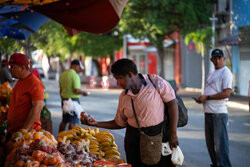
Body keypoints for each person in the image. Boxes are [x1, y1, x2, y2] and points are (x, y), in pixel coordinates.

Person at [81, 58, 179, 167]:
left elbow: (172, 104)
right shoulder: (124, 97)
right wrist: (96, 124)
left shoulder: (156, 82)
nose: (118, 83)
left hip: (158, 137)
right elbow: (119, 123)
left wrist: (173, 134)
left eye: (120, 78)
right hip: (133, 141)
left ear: (130, 74)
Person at [194, 49, 232, 167]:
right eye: (214, 58)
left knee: (221, 147)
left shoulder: (226, 72)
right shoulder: (211, 73)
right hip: (208, 113)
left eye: (219, 58)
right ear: (211, 60)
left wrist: (208, 97)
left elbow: (227, 93)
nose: (217, 60)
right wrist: (202, 98)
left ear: (223, 59)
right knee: (211, 146)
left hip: (218, 114)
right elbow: (211, 91)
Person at [4, 53, 44, 135]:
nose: (9, 69)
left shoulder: (34, 83)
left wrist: (24, 130)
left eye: (12, 67)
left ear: (22, 68)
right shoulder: (19, 82)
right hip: (15, 132)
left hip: (28, 134)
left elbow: (38, 106)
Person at [59, 59, 88, 132]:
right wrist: (83, 92)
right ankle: (70, 140)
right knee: (72, 122)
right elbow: (76, 90)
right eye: (79, 67)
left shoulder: (63, 74)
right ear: (75, 66)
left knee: (64, 120)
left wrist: (63, 99)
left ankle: (60, 137)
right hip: (73, 101)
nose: (79, 70)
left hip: (64, 100)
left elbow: (61, 90)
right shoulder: (75, 75)